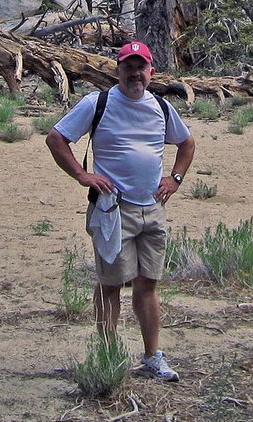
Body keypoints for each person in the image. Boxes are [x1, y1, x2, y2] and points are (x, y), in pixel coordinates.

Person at [46, 40, 195, 382]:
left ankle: (152, 356)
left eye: (141, 67)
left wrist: (175, 178)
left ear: (151, 71)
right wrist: (83, 175)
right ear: (117, 70)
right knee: (110, 284)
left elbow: (186, 143)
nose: (135, 74)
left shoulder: (160, 106)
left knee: (148, 283)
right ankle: (108, 356)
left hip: (152, 209)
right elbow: (56, 139)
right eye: (128, 67)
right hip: (113, 211)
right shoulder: (97, 103)